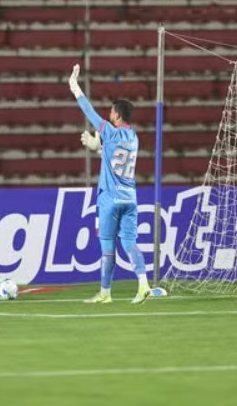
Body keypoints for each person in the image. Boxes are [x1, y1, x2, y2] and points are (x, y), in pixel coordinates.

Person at [68, 64, 152, 304]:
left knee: (107, 245)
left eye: (111, 113)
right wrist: (98, 149)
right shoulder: (133, 137)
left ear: (116, 115)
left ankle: (105, 293)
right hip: (130, 198)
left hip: (109, 198)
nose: (108, 115)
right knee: (130, 243)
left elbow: (90, 112)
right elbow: (114, 157)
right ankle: (143, 285)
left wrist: (75, 88)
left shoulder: (110, 131)